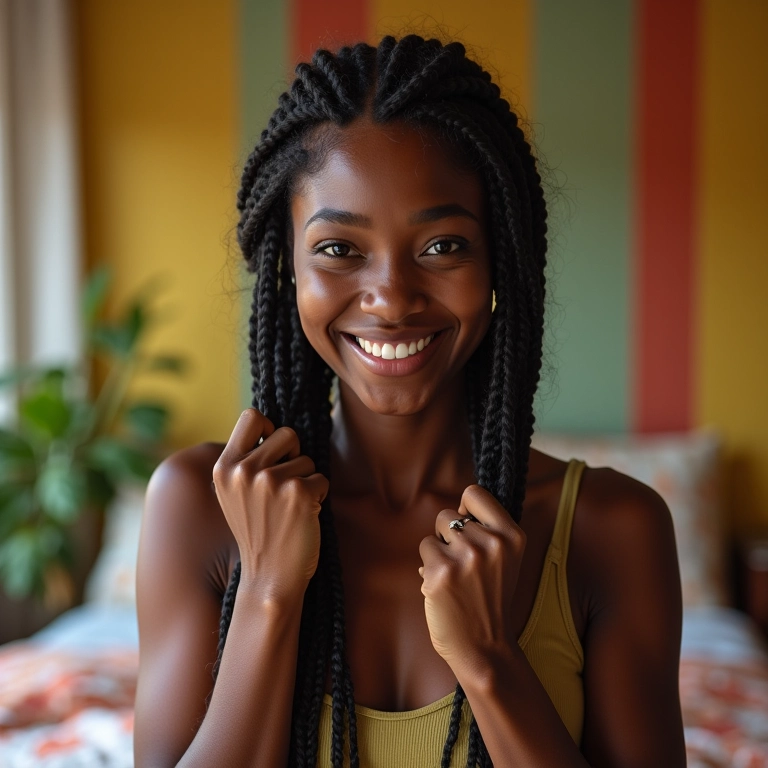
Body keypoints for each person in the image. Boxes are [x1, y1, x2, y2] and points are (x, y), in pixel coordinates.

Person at [133, 35, 687, 768]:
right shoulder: (198, 509)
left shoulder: (612, 530)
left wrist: (489, 659)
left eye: (442, 246)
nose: (391, 299)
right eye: (338, 249)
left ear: (500, 260)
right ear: (286, 273)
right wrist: (268, 592)